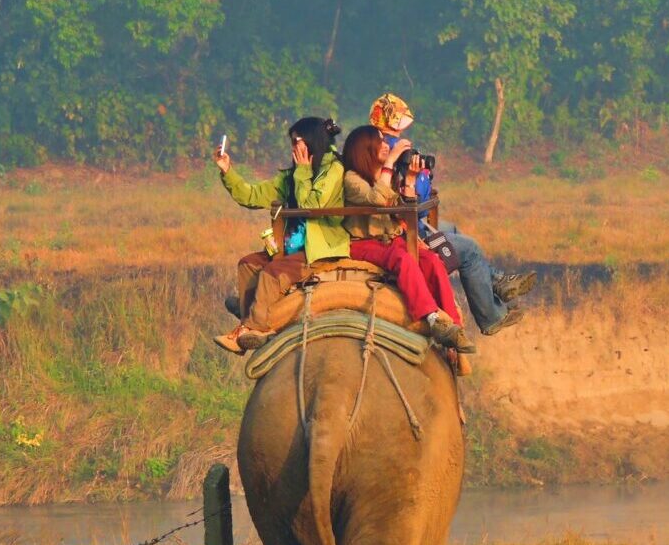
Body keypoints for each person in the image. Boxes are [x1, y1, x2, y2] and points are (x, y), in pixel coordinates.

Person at [368, 93, 535, 335]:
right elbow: (415, 198)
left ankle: (496, 280)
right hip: (401, 229)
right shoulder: (389, 152)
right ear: (393, 122)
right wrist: (417, 176)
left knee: (451, 229)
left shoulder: (369, 146)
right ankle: (491, 317)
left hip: (403, 222)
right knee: (470, 249)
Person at [212, 117, 347, 353]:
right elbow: (252, 196)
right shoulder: (292, 176)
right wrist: (227, 171)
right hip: (291, 246)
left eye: (297, 142)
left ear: (312, 142)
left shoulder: (334, 169)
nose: (293, 148)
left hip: (319, 248)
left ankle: (254, 328)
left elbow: (312, 205)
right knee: (248, 264)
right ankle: (249, 316)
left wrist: (304, 171)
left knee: (272, 274)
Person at [341, 125, 474, 353]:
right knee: (402, 259)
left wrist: (410, 180)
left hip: (391, 239)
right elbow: (378, 199)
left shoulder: (385, 175)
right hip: (364, 242)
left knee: (431, 260)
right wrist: (391, 162)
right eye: (380, 142)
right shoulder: (352, 179)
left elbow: (404, 210)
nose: (386, 147)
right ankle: (431, 317)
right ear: (364, 149)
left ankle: (454, 327)